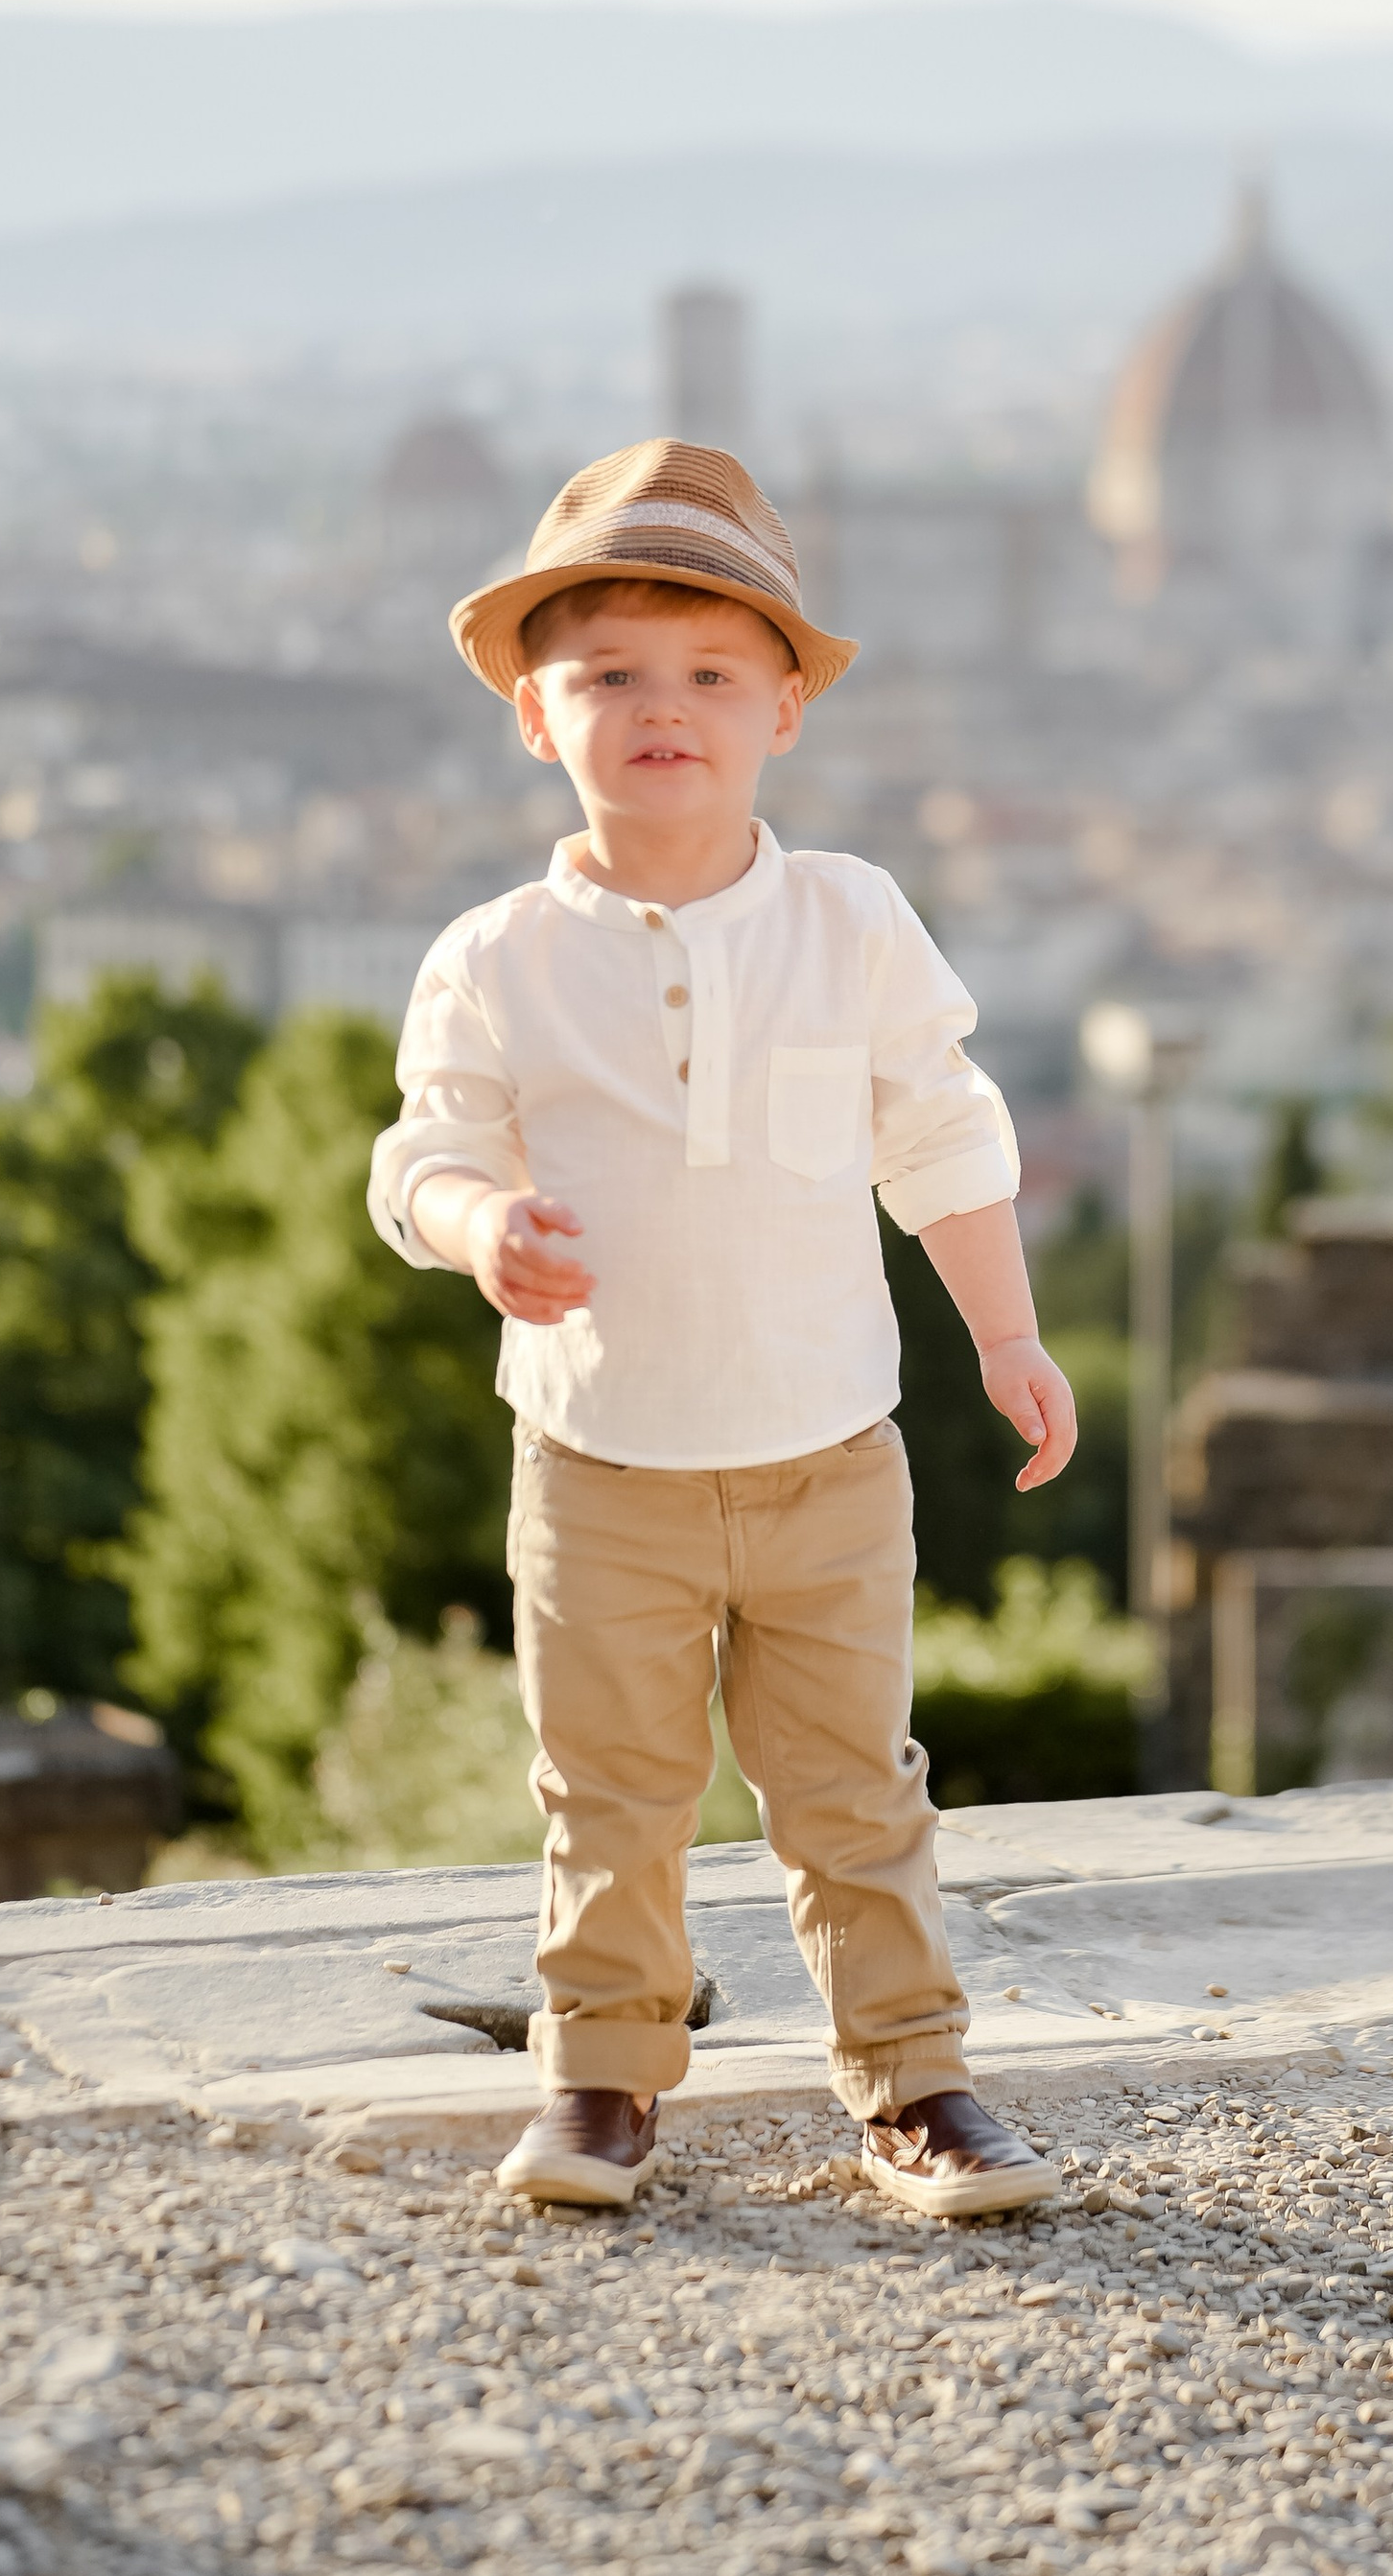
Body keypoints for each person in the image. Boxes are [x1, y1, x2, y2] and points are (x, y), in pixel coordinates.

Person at [367, 438, 1078, 2217]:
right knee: (608, 1793)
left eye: (707, 674)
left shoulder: (851, 918)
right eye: (610, 673)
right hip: (598, 1458)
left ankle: (915, 2084)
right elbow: (423, 1154)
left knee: (854, 1791)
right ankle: (599, 2082)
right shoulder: (495, 955)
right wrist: (479, 1230)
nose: (660, 708)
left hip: (829, 1449)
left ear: (784, 711)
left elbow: (941, 1136)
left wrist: (1006, 1337)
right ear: (537, 715)